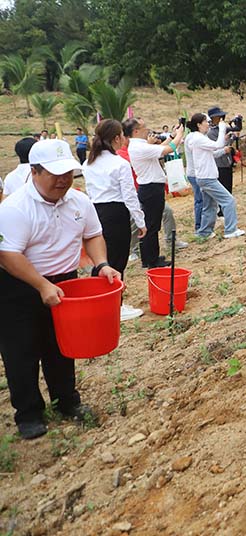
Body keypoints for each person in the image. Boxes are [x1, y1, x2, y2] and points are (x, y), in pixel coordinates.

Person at [0, 139, 121, 439]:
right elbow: (7, 255)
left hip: (65, 282)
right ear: (35, 172)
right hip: (18, 286)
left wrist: (102, 264)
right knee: (21, 350)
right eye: (55, 174)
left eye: (67, 172)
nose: (63, 180)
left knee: (61, 345)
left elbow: (93, 235)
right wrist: (41, 285)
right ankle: (28, 413)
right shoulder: (15, 208)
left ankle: (67, 401)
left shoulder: (79, 202)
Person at [82, 119, 147, 321]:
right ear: (117, 138)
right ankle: (114, 306)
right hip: (116, 213)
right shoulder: (120, 163)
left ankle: (97, 301)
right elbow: (129, 195)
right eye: (122, 136)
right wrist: (141, 220)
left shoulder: (88, 163)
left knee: (101, 260)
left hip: (95, 212)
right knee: (117, 260)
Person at [124, 117, 184, 268]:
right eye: (144, 128)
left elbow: (158, 150)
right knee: (151, 226)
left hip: (151, 188)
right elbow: (168, 149)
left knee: (153, 225)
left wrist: (171, 136)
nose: (148, 131)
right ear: (136, 131)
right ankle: (150, 260)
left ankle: (152, 257)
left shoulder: (140, 146)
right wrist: (179, 135)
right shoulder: (138, 147)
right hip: (150, 188)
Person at [185, 113, 246, 239]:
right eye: (206, 122)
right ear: (198, 124)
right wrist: (222, 127)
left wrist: (223, 150)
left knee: (210, 206)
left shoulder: (196, 138)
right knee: (228, 201)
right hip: (207, 178)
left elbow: (212, 153)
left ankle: (205, 231)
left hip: (204, 177)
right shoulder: (198, 138)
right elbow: (217, 145)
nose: (208, 124)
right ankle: (230, 230)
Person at [207, 106, 234, 195]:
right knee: (224, 192)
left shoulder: (222, 129)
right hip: (219, 165)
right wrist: (225, 140)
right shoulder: (211, 132)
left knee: (228, 190)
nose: (222, 119)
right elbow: (217, 147)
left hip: (227, 163)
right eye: (220, 117)